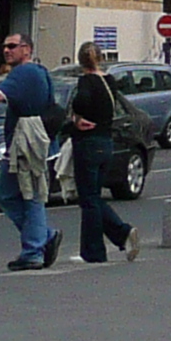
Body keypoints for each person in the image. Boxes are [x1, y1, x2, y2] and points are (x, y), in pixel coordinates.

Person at [0, 31, 60, 270]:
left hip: (26, 145)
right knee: (11, 194)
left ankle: (35, 248)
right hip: (34, 144)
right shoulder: (41, 71)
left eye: (13, 46)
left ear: (26, 49)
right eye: (5, 46)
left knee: (29, 196)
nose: (7, 50)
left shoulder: (23, 72)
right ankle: (41, 238)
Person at [62, 44, 138, 264]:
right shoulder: (109, 81)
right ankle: (121, 234)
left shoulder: (86, 81)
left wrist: (76, 118)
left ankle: (95, 251)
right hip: (106, 142)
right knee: (93, 197)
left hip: (88, 143)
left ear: (80, 61)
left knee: (88, 199)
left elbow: (81, 101)